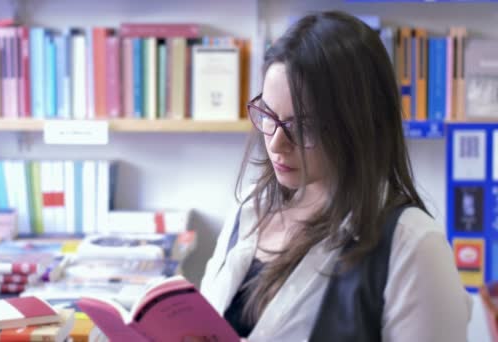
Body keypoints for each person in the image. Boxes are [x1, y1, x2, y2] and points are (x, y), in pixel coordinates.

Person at [200, 10, 471, 342]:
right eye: (269, 115)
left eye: (304, 126)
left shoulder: (412, 246)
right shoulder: (250, 208)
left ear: (360, 123)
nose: (276, 143)